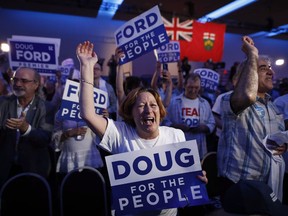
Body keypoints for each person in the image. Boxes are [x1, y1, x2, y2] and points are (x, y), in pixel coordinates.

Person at [76, 41, 208, 216]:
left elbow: (185, 181)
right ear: (131, 112)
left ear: (160, 112)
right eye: (141, 106)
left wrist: (196, 179)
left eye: (153, 105)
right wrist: (86, 66)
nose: (148, 110)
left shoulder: (176, 135)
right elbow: (88, 114)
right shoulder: (119, 133)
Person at [217, 36, 287, 206]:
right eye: (263, 68)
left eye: (270, 68)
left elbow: (273, 142)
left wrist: (282, 146)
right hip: (239, 187)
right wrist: (252, 55)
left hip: (268, 186)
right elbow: (248, 95)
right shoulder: (231, 100)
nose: (271, 72)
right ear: (246, 75)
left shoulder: (273, 107)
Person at [0, 67, 53, 189]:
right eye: (15, 80)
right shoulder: (2, 103)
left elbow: (45, 138)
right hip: (5, 170)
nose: (18, 84)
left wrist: (26, 128)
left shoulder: (47, 107)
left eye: (24, 81)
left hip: (33, 170)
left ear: (36, 84)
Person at [163, 73, 216, 160]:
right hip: (178, 146)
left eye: (196, 87)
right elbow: (164, 121)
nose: (193, 90)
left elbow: (212, 123)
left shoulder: (205, 103)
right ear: (184, 85)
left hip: (198, 147)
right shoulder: (173, 102)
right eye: (190, 87)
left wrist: (205, 128)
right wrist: (175, 126)